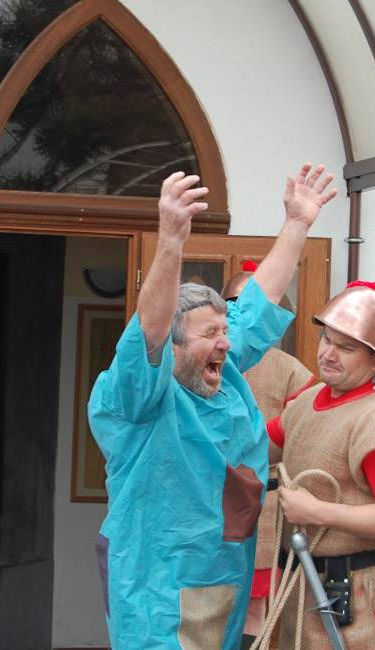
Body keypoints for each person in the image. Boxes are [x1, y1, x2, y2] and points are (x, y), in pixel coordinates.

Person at [88, 163, 337, 650]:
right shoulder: (138, 393)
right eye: (211, 333)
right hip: (154, 581)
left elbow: (259, 305)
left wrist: (297, 224)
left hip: (221, 574)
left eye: (225, 330)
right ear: (174, 345)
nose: (226, 342)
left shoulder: (223, 372)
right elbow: (150, 330)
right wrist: (170, 241)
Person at [271, 278, 375, 650]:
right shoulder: (309, 401)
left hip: (357, 603)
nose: (328, 354)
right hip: (309, 593)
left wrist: (317, 511)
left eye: (346, 347)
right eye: (326, 339)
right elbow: (253, 449)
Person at [221, 261, 315, 649]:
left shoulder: (291, 371)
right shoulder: (205, 357)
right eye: (233, 305)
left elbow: (307, 432)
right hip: (208, 497)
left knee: (255, 605)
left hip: (264, 502)